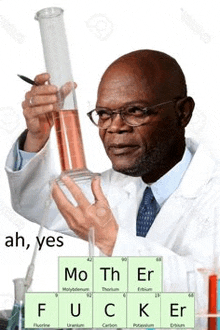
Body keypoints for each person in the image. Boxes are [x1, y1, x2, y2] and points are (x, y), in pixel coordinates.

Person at [5, 50, 220, 305]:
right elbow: (40, 202)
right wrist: (36, 136)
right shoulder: (115, 186)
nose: (115, 127)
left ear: (183, 113)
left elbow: (210, 298)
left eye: (136, 111)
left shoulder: (212, 194)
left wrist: (112, 241)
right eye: (104, 114)